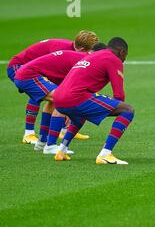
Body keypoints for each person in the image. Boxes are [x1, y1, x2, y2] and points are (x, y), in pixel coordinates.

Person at [53, 37, 134, 165]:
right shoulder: (114, 59)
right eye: (126, 55)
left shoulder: (95, 55)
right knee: (128, 110)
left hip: (57, 98)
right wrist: (112, 106)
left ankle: (61, 150)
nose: (125, 59)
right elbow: (119, 95)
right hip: (75, 97)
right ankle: (105, 154)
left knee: (81, 114)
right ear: (121, 52)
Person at [6, 31, 98, 143]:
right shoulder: (60, 48)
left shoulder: (73, 50)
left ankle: (62, 130)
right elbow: (49, 71)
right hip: (19, 67)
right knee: (39, 93)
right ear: (83, 49)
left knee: (58, 94)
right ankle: (28, 134)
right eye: (89, 52)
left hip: (33, 70)